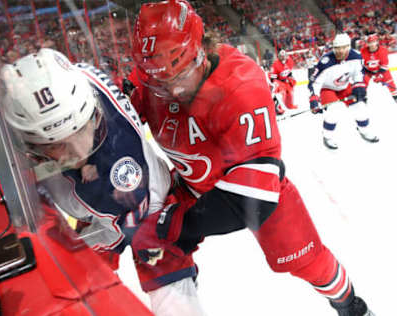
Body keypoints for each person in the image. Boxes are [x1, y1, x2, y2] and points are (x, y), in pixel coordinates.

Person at [129, 2, 373, 315]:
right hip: (190, 186)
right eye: (160, 83)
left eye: (182, 75)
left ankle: (351, 305)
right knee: (152, 247)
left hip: (250, 184)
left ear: (203, 51)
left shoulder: (240, 85)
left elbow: (253, 198)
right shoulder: (156, 70)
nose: (173, 90)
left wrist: (176, 224)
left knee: (308, 261)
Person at [0, 48, 206, 316]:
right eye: (57, 145)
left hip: (144, 208)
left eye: (80, 130)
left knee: (168, 286)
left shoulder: (119, 171)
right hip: (115, 198)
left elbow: (121, 228)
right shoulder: (75, 80)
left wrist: (73, 248)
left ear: (93, 113)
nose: (77, 151)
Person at [309, 33, 379, 150]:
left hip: (345, 86)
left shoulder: (356, 56)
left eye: (343, 47)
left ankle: (364, 130)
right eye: (337, 48)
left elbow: (358, 74)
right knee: (334, 111)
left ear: (348, 46)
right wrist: (314, 99)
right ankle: (327, 136)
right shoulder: (325, 61)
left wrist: (358, 86)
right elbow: (315, 82)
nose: (340, 51)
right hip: (327, 88)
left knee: (360, 107)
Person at [360, 33, 397, 102]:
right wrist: (368, 72)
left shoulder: (383, 50)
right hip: (369, 71)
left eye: (374, 42)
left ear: (377, 42)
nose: (372, 44)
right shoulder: (363, 51)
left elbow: (384, 65)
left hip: (381, 70)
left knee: (389, 81)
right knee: (362, 82)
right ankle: (362, 97)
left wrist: (379, 75)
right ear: (367, 43)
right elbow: (362, 64)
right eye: (370, 42)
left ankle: (395, 95)